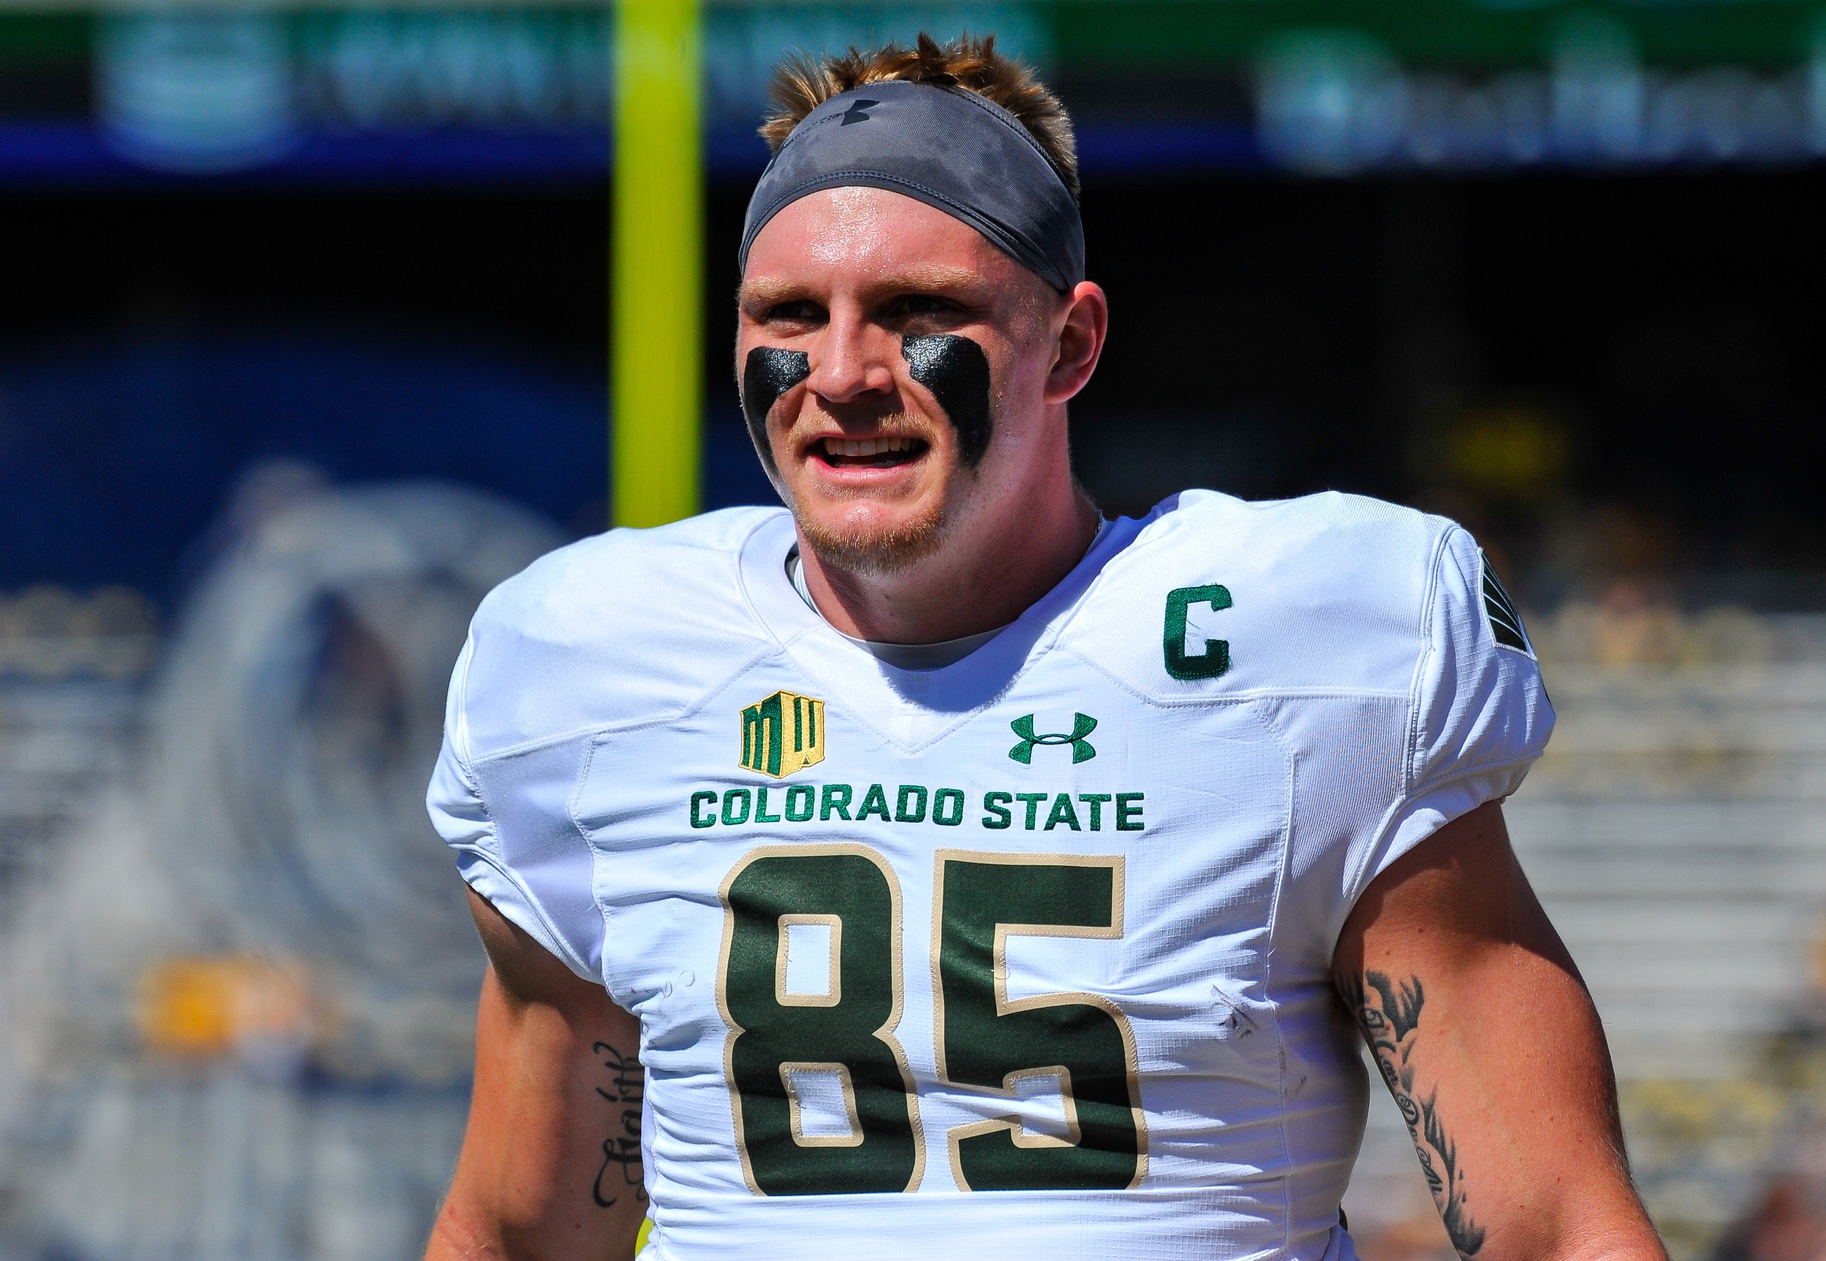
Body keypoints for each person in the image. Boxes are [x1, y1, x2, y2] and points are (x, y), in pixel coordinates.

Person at [423, 34, 1668, 1261]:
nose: (842, 372)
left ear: (1070, 343)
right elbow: (523, 1230)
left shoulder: (1299, 648)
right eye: (790, 313)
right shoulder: (591, 667)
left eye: (920, 311)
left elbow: (1557, 1225)